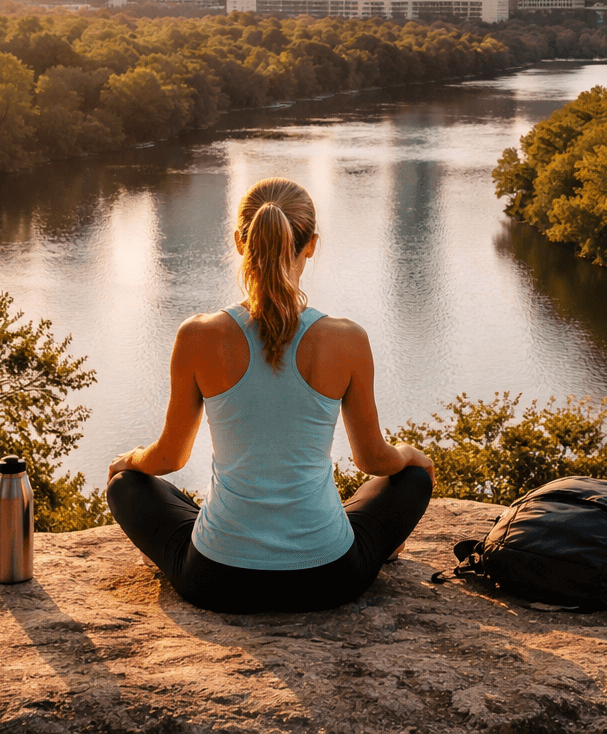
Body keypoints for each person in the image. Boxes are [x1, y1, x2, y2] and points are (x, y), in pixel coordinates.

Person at [106, 176, 434, 614]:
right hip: (330, 578)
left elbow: (169, 459)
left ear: (241, 241)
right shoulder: (347, 339)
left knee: (126, 485)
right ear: (311, 244)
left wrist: (129, 460)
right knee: (413, 478)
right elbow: (373, 461)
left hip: (216, 580)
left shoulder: (197, 335)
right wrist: (413, 455)